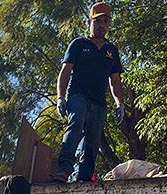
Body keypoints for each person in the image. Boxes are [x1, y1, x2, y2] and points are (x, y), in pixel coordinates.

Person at [54, 2, 125, 183]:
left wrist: (120, 104)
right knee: (76, 124)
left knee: (93, 141)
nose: (101, 25)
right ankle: (64, 168)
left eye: (105, 21)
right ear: (89, 22)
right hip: (78, 95)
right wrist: (60, 97)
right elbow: (65, 72)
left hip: (99, 102)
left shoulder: (112, 50)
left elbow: (115, 81)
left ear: (108, 24)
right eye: (97, 21)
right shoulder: (79, 44)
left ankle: (84, 178)